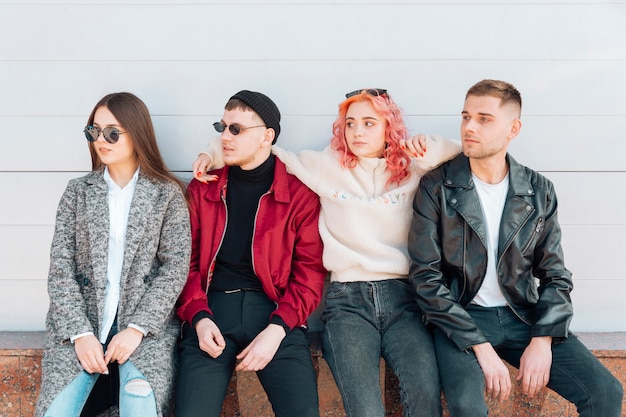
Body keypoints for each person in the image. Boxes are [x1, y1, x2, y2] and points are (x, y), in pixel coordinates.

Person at [193, 88, 461, 417]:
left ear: (389, 127)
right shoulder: (325, 167)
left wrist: (426, 145)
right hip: (348, 299)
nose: (357, 132)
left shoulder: (413, 169)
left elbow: (469, 154)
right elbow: (262, 150)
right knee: (365, 410)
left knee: (424, 397)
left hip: (403, 297)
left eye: (368, 123)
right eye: (350, 124)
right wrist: (212, 154)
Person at [408, 79, 624, 417]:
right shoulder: (436, 187)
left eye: (484, 118)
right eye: (465, 117)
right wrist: (479, 345)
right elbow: (425, 277)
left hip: (522, 315)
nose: (469, 127)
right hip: (461, 316)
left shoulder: (538, 191)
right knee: (467, 406)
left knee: (606, 392)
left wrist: (543, 339)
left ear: (513, 128)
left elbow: (554, 274)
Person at [35, 92, 191, 417]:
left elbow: (174, 268)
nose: (101, 140)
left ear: (137, 133)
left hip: (145, 335)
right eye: (94, 131)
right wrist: (80, 334)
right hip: (77, 331)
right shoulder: (78, 192)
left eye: (112, 132)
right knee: (56, 412)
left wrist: (137, 328)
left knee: (141, 409)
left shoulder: (166, 195)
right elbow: (60, 270)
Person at [175, 90, 327, 417]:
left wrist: (277, 330)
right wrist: (198, 318)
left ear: (267, 137)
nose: (225, 137)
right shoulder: (203, 188)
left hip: (274, 311)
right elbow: (181, 265)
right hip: (212, 308)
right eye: (223, 126)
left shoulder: (299, 195)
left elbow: (310, 273)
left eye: (237, 129)